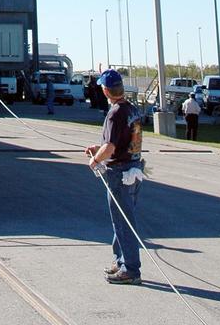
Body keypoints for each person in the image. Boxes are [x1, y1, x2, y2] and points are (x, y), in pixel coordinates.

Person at [84, 69, 144, 286]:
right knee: (123, 218)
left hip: (119, 172)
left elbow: (110, 147)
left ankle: (131, 269)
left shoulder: (114, 113)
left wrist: (95, 160)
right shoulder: (132, 110)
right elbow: (120, 141)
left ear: (106, 90)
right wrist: (98, 149)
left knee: (123, 221)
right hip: (134, 169)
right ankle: (121, 261)